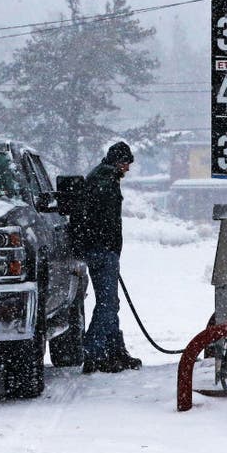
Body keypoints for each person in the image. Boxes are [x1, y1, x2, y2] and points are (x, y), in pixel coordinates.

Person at [80, 141, 142, 374]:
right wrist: (108, 246)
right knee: (107, 303)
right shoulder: (105, 180)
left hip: (100, 248)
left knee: (110, 302)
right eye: (126, 163)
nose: (127, 169)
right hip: (102, 250)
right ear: (119, 161)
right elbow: (105, 218)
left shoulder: (100, 176)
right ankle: (94, 353)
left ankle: (115, 350)